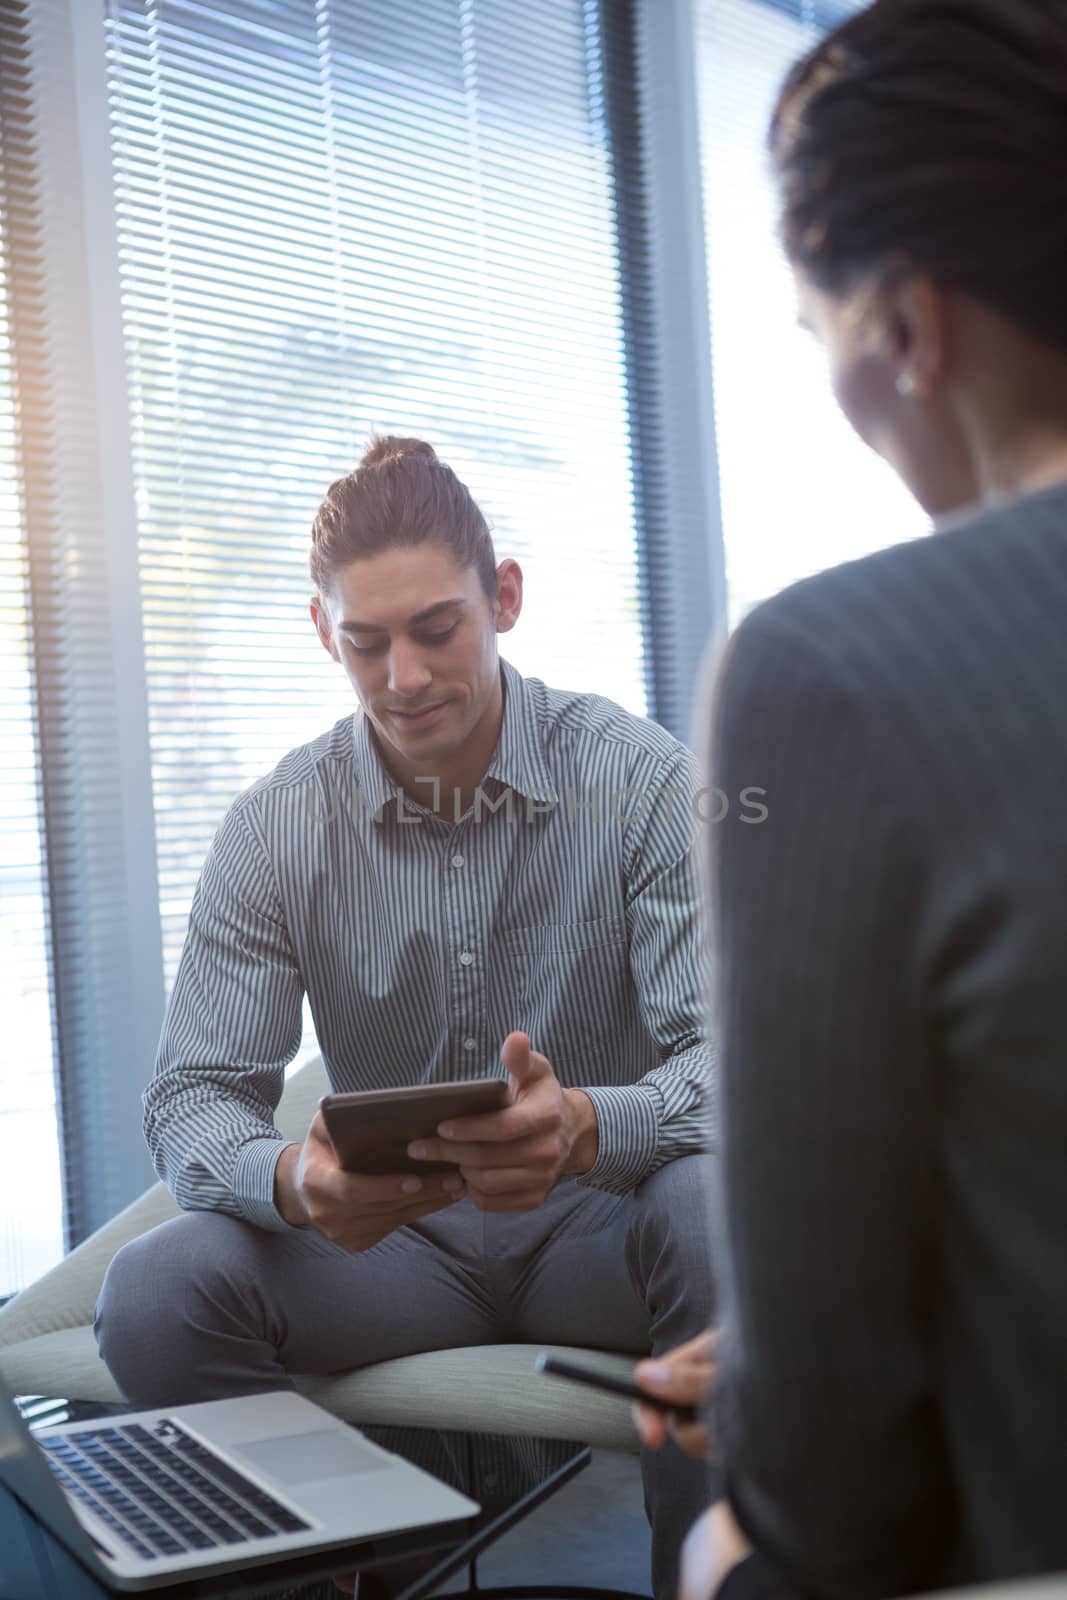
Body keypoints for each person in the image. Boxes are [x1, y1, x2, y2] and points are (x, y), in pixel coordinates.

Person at [94, 435, 716, 1600]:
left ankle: (710, 1584)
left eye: (437, 629)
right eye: (366, 642)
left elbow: (737, 1065)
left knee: (712, 1203)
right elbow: (193, 1096)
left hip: (605, 1232)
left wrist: (587, 1123)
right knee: (155, 1294)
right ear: (324, 633)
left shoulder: (638, 783)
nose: (404, 676)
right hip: (391, 1249)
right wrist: (293, 1182)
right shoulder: (276, 825)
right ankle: (356, 1575)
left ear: (505, 599)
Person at [636, 0, 1067, 1595]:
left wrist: (767, 1427)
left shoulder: (824, 671)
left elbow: (833, 1488)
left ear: (902, 326)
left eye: (812, 330)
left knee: (729, 1541)